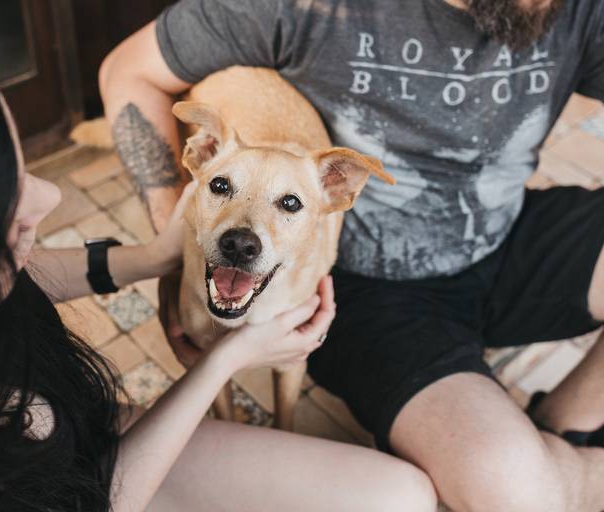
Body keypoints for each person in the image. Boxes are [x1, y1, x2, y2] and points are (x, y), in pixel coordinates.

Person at [0, 5, 438, 512]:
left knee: (406, 493)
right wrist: (226, 358)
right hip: (94, 487)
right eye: (7, 189)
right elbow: (98, 497)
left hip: (83, 431)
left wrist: (150, 258)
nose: (50, 194)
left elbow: (15, 275)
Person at [100, 0, 604, 510]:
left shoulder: (579, 10)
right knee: (522, 494)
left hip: (511, 232)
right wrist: (175, 249)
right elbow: (128, 70)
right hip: (372, 293)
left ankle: (566, 424)